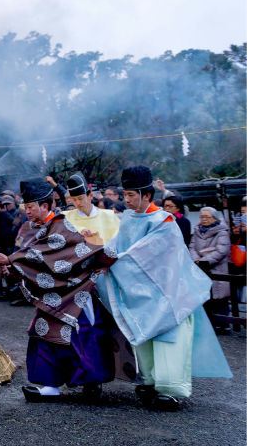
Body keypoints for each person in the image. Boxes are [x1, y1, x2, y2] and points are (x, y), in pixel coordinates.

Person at [97, 165, 232, 412]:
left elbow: (148, 254)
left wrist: (116, 259)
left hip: (168, 293)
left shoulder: (164, 221)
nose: (126, 200)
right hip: (142, 292)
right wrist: (103, 255)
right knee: (144, 336)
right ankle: (149, 381)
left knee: (168, 338)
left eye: (131, 195)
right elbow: (117, 246)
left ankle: (170, 390)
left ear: (147, 195)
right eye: (125, 195)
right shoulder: (128, 218)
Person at [0, 177, 117, 403]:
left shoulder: (60, 225)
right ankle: (49, 386)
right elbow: (32, 258)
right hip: (51, 295)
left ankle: (91, 382)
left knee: (82, 334)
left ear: (45, 206)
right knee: (42, 333)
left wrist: (11, 260)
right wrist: (13, 266)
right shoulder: (34, 228)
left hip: (75, 292)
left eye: (30, 207)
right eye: (25, 207)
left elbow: (46, 254)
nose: (27, 211)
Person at [189, 207, 232, 335]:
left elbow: (222, 250)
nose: (204, 219)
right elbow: (192, 246)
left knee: (220, 297)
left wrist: (204, 261)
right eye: (202, 216)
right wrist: (196, 260)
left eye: (207, 216)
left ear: (214, 218)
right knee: (206, 297)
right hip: (200, 268)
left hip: (216, 267)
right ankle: (210, 324)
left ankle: (224, 325)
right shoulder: (197, 230)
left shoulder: (222, 231)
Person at [63, 172, 121, 246]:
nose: (78, 203)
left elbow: (119, 240)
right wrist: (79, 230)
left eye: (80, 198)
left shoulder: (109, 215)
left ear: (90, 196)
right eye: (74, 199)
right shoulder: (65, 217)